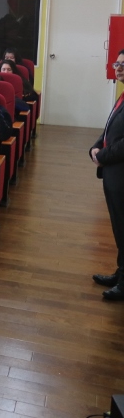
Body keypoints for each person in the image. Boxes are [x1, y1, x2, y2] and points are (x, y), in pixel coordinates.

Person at [91, 50, 124, 301]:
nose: (119, 68)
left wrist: (101, 155)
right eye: (117, 63)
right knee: (119, 226)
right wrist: (96, 145)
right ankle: (121, 273)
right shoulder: (121, 96)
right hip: (114, 174)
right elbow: (110, 130)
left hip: (120, 173)